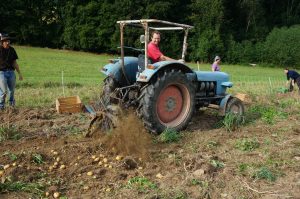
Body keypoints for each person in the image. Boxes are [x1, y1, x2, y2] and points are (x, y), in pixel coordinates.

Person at [0, 33, 23, 110]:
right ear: (2, 42)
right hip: (1, 72)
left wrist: (19, 73)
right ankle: (1, 106)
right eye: (5, 41)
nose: (7, 42)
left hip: (11, 72)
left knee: (12, 90)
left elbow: (14, 63)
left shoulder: (12, 50)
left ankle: (11, 106)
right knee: (4, 91)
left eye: (8, 40)